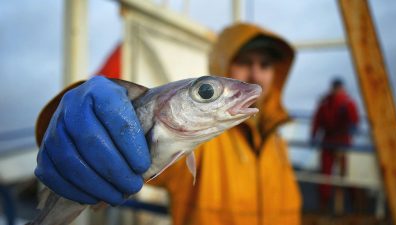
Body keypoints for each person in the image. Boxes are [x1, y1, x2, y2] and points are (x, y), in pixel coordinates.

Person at [35, 23, 301, 225]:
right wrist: (67, 123)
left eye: (265, 65)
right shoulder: (207, 139)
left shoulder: (277, 140)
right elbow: (105, 141)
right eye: (244, 62)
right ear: (223, 64)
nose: (255, 75)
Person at [310, 78, 359, 210]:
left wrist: (352, 125)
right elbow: (317, 120)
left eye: (338, 88)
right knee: (325, 175)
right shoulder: (325, 104)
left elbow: (354, 120)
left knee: (347, 174)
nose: (337, 91)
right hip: (329, 142)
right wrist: (313, 135)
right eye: (335, 88)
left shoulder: (347, 103)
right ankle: (324, 204)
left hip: (343, 142)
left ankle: (354, 203)